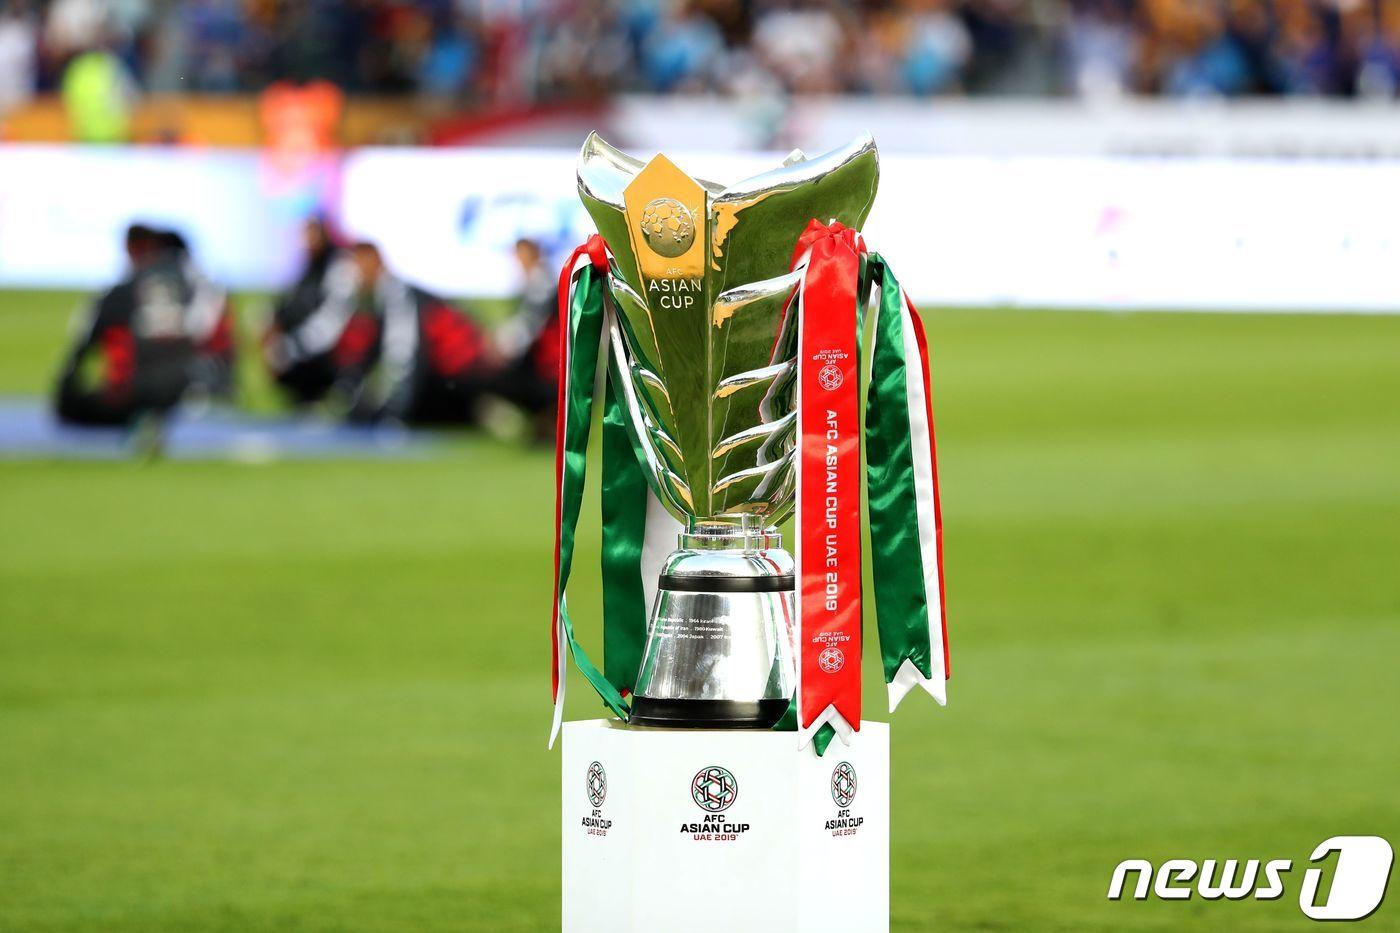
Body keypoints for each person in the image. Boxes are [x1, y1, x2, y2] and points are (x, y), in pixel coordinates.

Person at [273, 241, 494, 425]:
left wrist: (395, 414)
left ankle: (476, 409)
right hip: (448, 373)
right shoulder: (380, 298)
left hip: (459, 373)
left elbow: (404, 355)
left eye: (360, 265)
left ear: (375, 262)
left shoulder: (399, 298)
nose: (356, 273)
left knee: (376, 414)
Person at [53, 224, 197, 425]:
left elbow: (83, 344)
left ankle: (142, 419)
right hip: (187, 384)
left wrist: (67, 381)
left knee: (70, 402)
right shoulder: (196, 288)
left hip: (137, 390)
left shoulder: (120, 292)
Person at [263, 218, 345, 406]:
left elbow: (330, 323)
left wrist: (291, 346)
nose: (308, 241)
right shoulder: (308, 267)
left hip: (325, 351)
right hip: (302, 342)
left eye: (312, 235)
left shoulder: (339, 267)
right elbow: (292, 304)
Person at [488, 237, 559, 437]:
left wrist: (501, 345)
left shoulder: (542, 285)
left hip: (549, 368)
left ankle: (542, 421)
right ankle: (542, 422)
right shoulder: (537, 282)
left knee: (495, 380)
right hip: (545, 364)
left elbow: (530, 326)